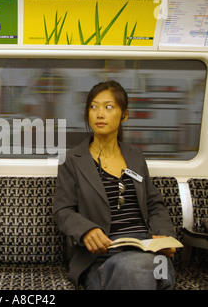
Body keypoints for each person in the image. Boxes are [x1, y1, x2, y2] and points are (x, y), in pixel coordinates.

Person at [53, 80, 177, 290]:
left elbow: (155, 204)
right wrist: (85, 229)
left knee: (145, 267)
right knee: (133, 270)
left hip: (149, 254)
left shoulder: (135, 156)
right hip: (102, 260)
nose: (99, 114)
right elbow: (62, 210)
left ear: (124, 115)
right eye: (93, 107)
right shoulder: (73, 160)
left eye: (108, 107)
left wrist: (164, 235)